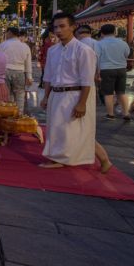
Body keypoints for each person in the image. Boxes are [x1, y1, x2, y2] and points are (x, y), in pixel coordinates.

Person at [39, 12, 113, 173]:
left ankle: (63, 159)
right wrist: (45, 96)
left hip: (75, 94)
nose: (58, 30)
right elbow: (49, 77)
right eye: (56, 27)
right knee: (60, 129)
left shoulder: (83, 50)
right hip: (56, 94)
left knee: (74, 129)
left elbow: (87, 79)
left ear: (73, 27)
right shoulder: (53, 50)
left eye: (62, 26)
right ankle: (101, 159)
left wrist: (82, 103)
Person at [95, 24, 131, 120]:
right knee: (121, 92)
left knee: (108, 93)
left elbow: (97, 58)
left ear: (102, 33)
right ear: (115, 32)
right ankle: (126, 113)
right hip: (121, 69)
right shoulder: (123, 43)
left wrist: (97, 72)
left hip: (106, 69)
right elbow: (127, 54)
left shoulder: (99, 44)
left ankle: (110, 114)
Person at [0, 27, 33, 114]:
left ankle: (9, 115)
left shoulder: (3, 45)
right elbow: (28, 63)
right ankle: (19, 115)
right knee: (20, 95)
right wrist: (29, 77)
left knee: (8, 95)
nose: (6, 35)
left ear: (10, 33)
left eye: (6, 33)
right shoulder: (25, 46)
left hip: (5, 71)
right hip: (19, 72)